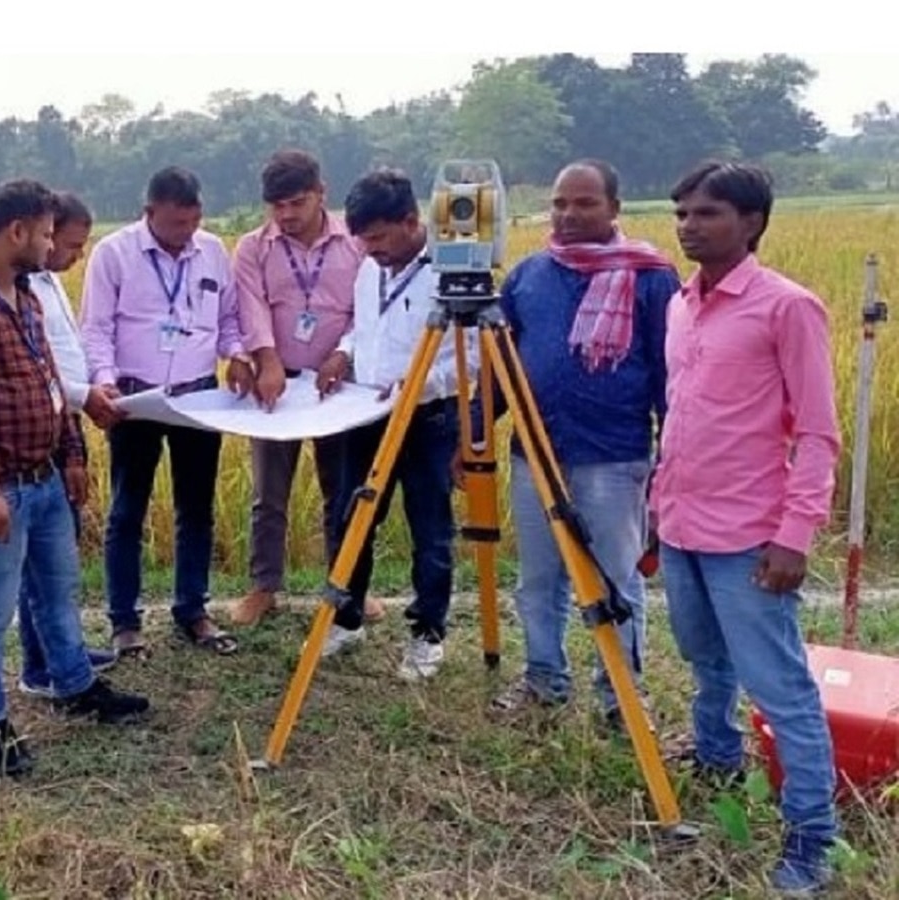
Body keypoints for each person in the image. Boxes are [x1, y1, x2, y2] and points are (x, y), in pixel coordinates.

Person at [0, 179, 148, 779]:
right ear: (16, 231)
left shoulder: (26, 296)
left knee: (58, 590)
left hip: (44, 478)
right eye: (47, 233)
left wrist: (71, 453)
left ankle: (73, 685)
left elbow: (49, 383)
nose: (52, 245)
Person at [652, 161, 841, 895]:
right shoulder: (681, 304)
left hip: (748, 536)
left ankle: (811, 840)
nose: (689, 226)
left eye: (707, 214)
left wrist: (795, 533)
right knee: (705, 660)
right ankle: (717, 760)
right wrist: (655, 512)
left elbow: (818, 433)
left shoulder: (786, 308)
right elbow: (681, 418)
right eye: (682, 214)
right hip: (681, 523)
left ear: (753, 222)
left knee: (781, 688)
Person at [470, 160, 679, 728]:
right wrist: (475, 427)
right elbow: (501, 370)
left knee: (615, 581)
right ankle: (543, 679)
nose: (568, 214)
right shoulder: (529, 276)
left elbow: (670, 376)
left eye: (584, 203)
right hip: (535, 456)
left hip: (615, 457)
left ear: (614, 209)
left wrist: (670, 463)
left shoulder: (653, 278)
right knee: (539, 580)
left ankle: (620, 697)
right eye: (561, 203)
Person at [79, 166, 255, 659]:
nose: (186, 234)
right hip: (135, 398)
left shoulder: (213, 251)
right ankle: (124, 621)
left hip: (199, 396)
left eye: (193, 223)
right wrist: (105, 381)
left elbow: (227, 322)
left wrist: (237, 354)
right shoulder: (114, 254)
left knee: (195, 507)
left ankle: (192, 610)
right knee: (127, 510)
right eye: (176, 225)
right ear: (149, 213)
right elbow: (95, 327)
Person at [319, 168, 473, 680]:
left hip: (429, 419)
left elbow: (473, 359)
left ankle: (427, 633)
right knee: (352, 517)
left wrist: (419, 386)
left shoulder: (452, 271)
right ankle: (346, 618)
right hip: (367, 414)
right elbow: (365, 330)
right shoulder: (370, 269)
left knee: (430, 529)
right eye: (363, 240)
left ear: (411, 221)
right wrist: (343, 354)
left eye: (380, 238)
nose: (372, 250)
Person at [229, 149, 384, 627]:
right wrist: (267, 359)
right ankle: (264, 586)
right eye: (277, 206)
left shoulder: (357, 243)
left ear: (322, 193)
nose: (287, 215)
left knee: (343, 490)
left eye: (297, 202)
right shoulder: (254, 248)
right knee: (268, 492)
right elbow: (251, 307)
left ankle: (347, 584)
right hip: (276, 387)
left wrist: (344, 352)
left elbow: (370, 309)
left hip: (339, 387)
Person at [15, 191, 125, 698]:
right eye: (71, 244)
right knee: (39, 566)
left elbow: (67, 358)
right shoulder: (19, 288)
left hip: (66, 425)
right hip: (39, 436)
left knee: (59, 562)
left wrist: (76, 439)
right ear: (46, 233)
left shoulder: (50, 281)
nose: (77, 255)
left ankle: (66, 651)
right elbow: (44, 372)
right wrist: (87, 397)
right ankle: (42, 665)